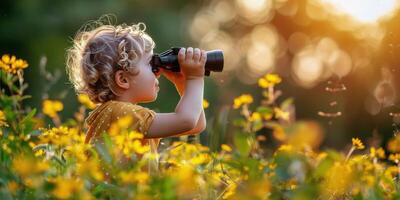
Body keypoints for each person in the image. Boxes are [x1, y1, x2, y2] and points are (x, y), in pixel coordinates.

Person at [65, 17, 207, 172]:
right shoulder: (119, 112)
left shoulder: (124, 114)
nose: (158, 72)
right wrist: (194, 78)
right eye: (150, 64)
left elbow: (196, 125)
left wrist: (184, 84)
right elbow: (187, 120)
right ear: (123, 79)